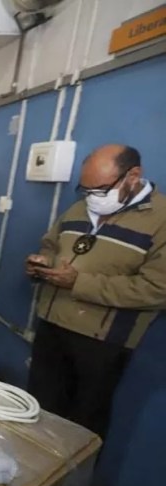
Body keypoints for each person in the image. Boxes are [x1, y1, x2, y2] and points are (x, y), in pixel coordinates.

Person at [25, 144, 166, 439]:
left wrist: (79, 283)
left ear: (133, 176)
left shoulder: (160, 220)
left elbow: (157, 289)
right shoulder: (79, 208)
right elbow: (51, 244)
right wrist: (43, 263)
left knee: (83, 423)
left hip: (102, 341)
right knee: (37, 409)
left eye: (100, 190)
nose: (92, 198)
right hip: (52, 324)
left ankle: (72, 471)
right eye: (85, 190)